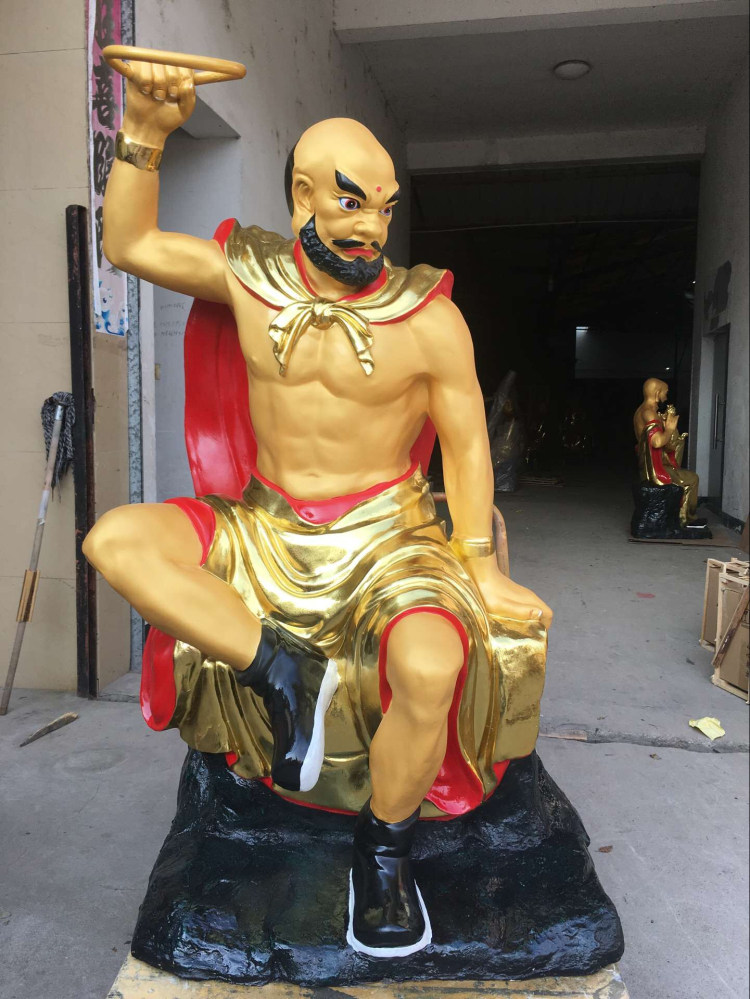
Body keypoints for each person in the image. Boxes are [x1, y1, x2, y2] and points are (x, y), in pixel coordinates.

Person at [83, 58, 552, 958]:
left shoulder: (429, 317)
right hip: (267, 526)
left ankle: (386, 851)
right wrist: (142, 133)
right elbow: (130, 245)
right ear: (302, 196)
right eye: (350, 203)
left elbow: (466, 445)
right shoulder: (250, 277)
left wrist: (480, 566)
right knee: (116, 539)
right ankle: (281, 667)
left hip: (389, 541)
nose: (372, 227)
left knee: (429, 667)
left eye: (385, 207)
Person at [634, 378, 700, 527]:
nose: (666, 396)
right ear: (657, 392)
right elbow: (656, 442)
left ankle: (683, 517)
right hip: (654, 468)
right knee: (692, 479)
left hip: (651, 463)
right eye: (665, 392)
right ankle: (686, 519)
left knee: (686, 474)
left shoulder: (643, 410)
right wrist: (669, 429)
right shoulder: (649, 413)